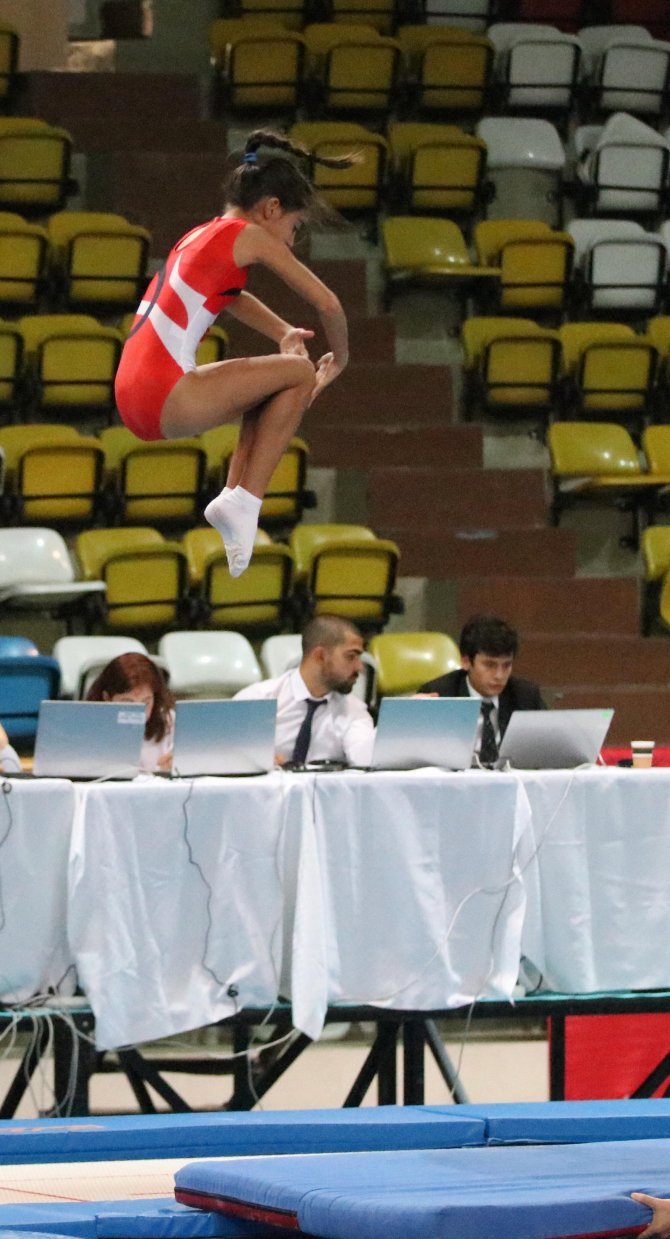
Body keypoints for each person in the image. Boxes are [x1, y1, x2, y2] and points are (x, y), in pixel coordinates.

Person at [114, 128, 352, 578]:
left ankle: (234, 499)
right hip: (164, 392)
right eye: (295, 227)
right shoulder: (250, 235)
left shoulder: (201, 236)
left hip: (134, 394)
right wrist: (340, 357)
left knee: (274, 381)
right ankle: (245, 500)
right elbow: (328, 304)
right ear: (272, 208)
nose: (291, 240)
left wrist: (282, 330)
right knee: (300, 374)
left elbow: (230, 297)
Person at [234, 614, 375, 768]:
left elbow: (364, 758)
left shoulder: (354, 710)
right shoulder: (258, 699)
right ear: (320, 656)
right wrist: (252, 761)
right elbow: (222, 754)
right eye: (351, 657)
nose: (360, 668)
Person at [418, 613, 545, 765]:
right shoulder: (441, 694)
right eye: (489, 665)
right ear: (466, 662)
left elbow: (550, 746)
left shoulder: (526, 696)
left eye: (506, 665)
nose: (499, 675)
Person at [86, 652, 175, 773]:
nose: (139, 713)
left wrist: (177, 765)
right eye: (128, 703)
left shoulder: (168, 721)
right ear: (107, 698)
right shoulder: (88, 726)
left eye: (146, 702)